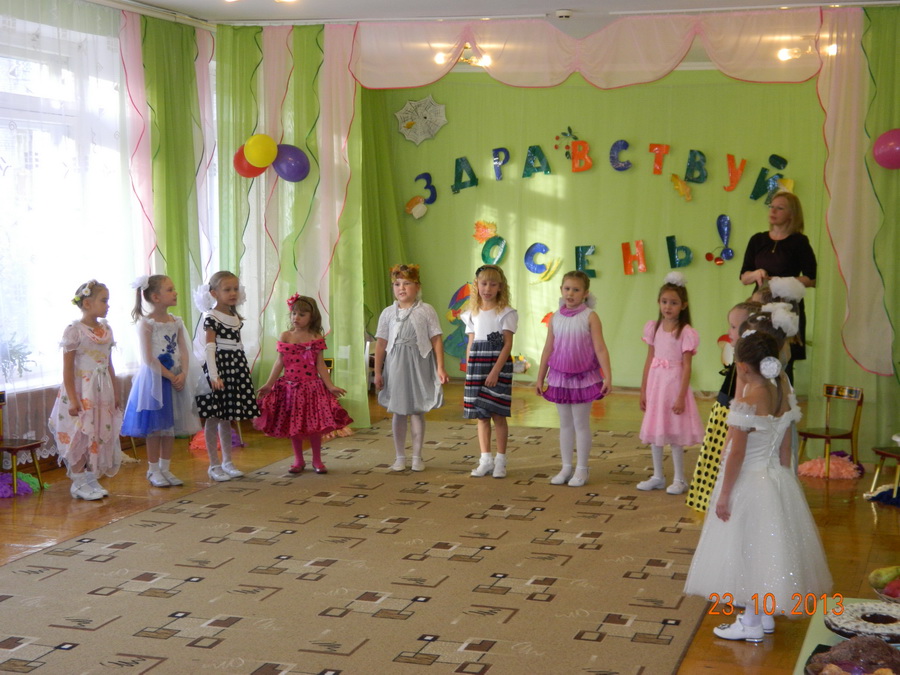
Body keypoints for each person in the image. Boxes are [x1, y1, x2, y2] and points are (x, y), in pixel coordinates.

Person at [683, 331, 832, 641]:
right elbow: (786, 442)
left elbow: (736, 453)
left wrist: (724, 494)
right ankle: (764, 617)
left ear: (741, 366)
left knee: (747, 550)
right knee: (768, 550)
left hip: (749, 480)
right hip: (776, 477)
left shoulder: (748, 401)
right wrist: (785, 479)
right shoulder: (782, 390)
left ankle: (750, 623)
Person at [255, 294, 352, 474]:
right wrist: (269, 384)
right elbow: (279, 362)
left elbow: (320, 364)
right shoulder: (286, 336)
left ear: (311, 316)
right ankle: (298, 460)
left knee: (314, 426)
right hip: (290, 389)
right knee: (295, 426)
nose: (296, 318)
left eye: (301, 314)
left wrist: (330, 386)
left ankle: (317, 460)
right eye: (294, 314)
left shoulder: (316, 337)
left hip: (312, 389)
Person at [121, 275, 201, 487]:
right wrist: (171, 376)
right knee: (156, 428)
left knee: (170, 428)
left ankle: (165, 468)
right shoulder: (147, 324)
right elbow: (148, 358)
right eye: (170, 289)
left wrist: (183, 373)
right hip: (155, 380)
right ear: (155, 297)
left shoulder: (176, 322)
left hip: (176, 378)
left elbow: (184, 350)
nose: (175, 292)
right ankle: (153, 469)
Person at [535, 270, 612, 487]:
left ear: (585, 293)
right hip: (560, 377)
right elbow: (548, 348)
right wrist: (540, 378)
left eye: (576, 290)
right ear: (561, 290)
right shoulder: (555, 318)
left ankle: (582, 469)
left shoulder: (590, 317)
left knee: (580, 423)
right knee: (565, 424)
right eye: (567, 289)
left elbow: (600, 348)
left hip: (582, 378)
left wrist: (607, 376)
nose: (570, 293)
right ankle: (566, 467)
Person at [48, 280, 123, 500]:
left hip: (101, 392)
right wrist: (73, 399)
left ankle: (91, 478)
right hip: (82, 391)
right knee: (80, 434)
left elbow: (109, 364)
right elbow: (68, 370)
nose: (108, 305)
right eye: (104, 300)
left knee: (97, 432)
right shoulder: (74, 331)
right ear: (88, 303)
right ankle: (78, 481)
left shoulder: (106, 330)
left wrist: (115, 392)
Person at [685, 300, 760, 512]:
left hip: (731, 418)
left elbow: (739, 401)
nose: (729, 332)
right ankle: (711, 499)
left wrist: (729, 436)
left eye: (734, 327)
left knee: (723, 460)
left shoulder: (745, 364)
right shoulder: (739, 357)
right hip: (724, 412)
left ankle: (721, 499)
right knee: (714, 460)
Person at [374, 264, 449, 472]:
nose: (402, 288)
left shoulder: (426, 310)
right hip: (395, 366)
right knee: (398, 411)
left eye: (407, 283)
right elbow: (381, 343)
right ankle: (400, 456)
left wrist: (440, 368)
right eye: (397, 284)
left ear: (417, 287)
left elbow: (436, 339)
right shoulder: (388, 313)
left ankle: (417, 456)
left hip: (419, 363)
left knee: (416, 409)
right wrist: (378, 372)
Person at [637, 272, 703, 495]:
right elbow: (649, 359)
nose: (668, 307)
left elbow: (687, 367)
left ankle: (679, 479)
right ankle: (658, 476)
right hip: (656, 386)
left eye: (673, 303)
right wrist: (643, 390)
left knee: (674, 433)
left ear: (683, 305)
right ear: (659, 302)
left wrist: (681, 396)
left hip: (674, 386)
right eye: (664, 302)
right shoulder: (653, 328)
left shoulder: (686, 332)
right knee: (656, 430)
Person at [739, 191, 816, 382]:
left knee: (783, 358)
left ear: (792, 214)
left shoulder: (799, 242)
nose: (773, 211)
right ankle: (756, 395)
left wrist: (781, 282)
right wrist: (756, 274)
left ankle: (784, 398)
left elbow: (811, 278)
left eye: (780, 208)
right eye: (771, 207)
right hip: (760, 304)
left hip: (787, 307)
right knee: (756, 353)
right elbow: (744, 277)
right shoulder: (757, 240)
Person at [193, 270, 260, 482]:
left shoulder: (234, 317)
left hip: (235, 367)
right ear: (214, 293)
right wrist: (214, 375)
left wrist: (241, 370)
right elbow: (210, 347)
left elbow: (236, 344)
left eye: (235, 289)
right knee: (214, 417)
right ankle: (214, 465)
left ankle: (228, 462)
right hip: (219, 369)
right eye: (227, 289)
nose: (232, 293)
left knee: (227, 417)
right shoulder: (211, 317)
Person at [461, 264, 517, 479]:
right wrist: (469, 368)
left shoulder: (506, 313)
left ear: (500, 287)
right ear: (477, 285)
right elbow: (471, 342)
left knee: (498, 413)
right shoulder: (472, 314)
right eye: (484, 284)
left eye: (493, 284)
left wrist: (495, 371)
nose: (487, 289)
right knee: (481, 416)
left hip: (497, 365)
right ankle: (485, 460)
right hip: (477, 366)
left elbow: (507, 345)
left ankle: (501, 461)